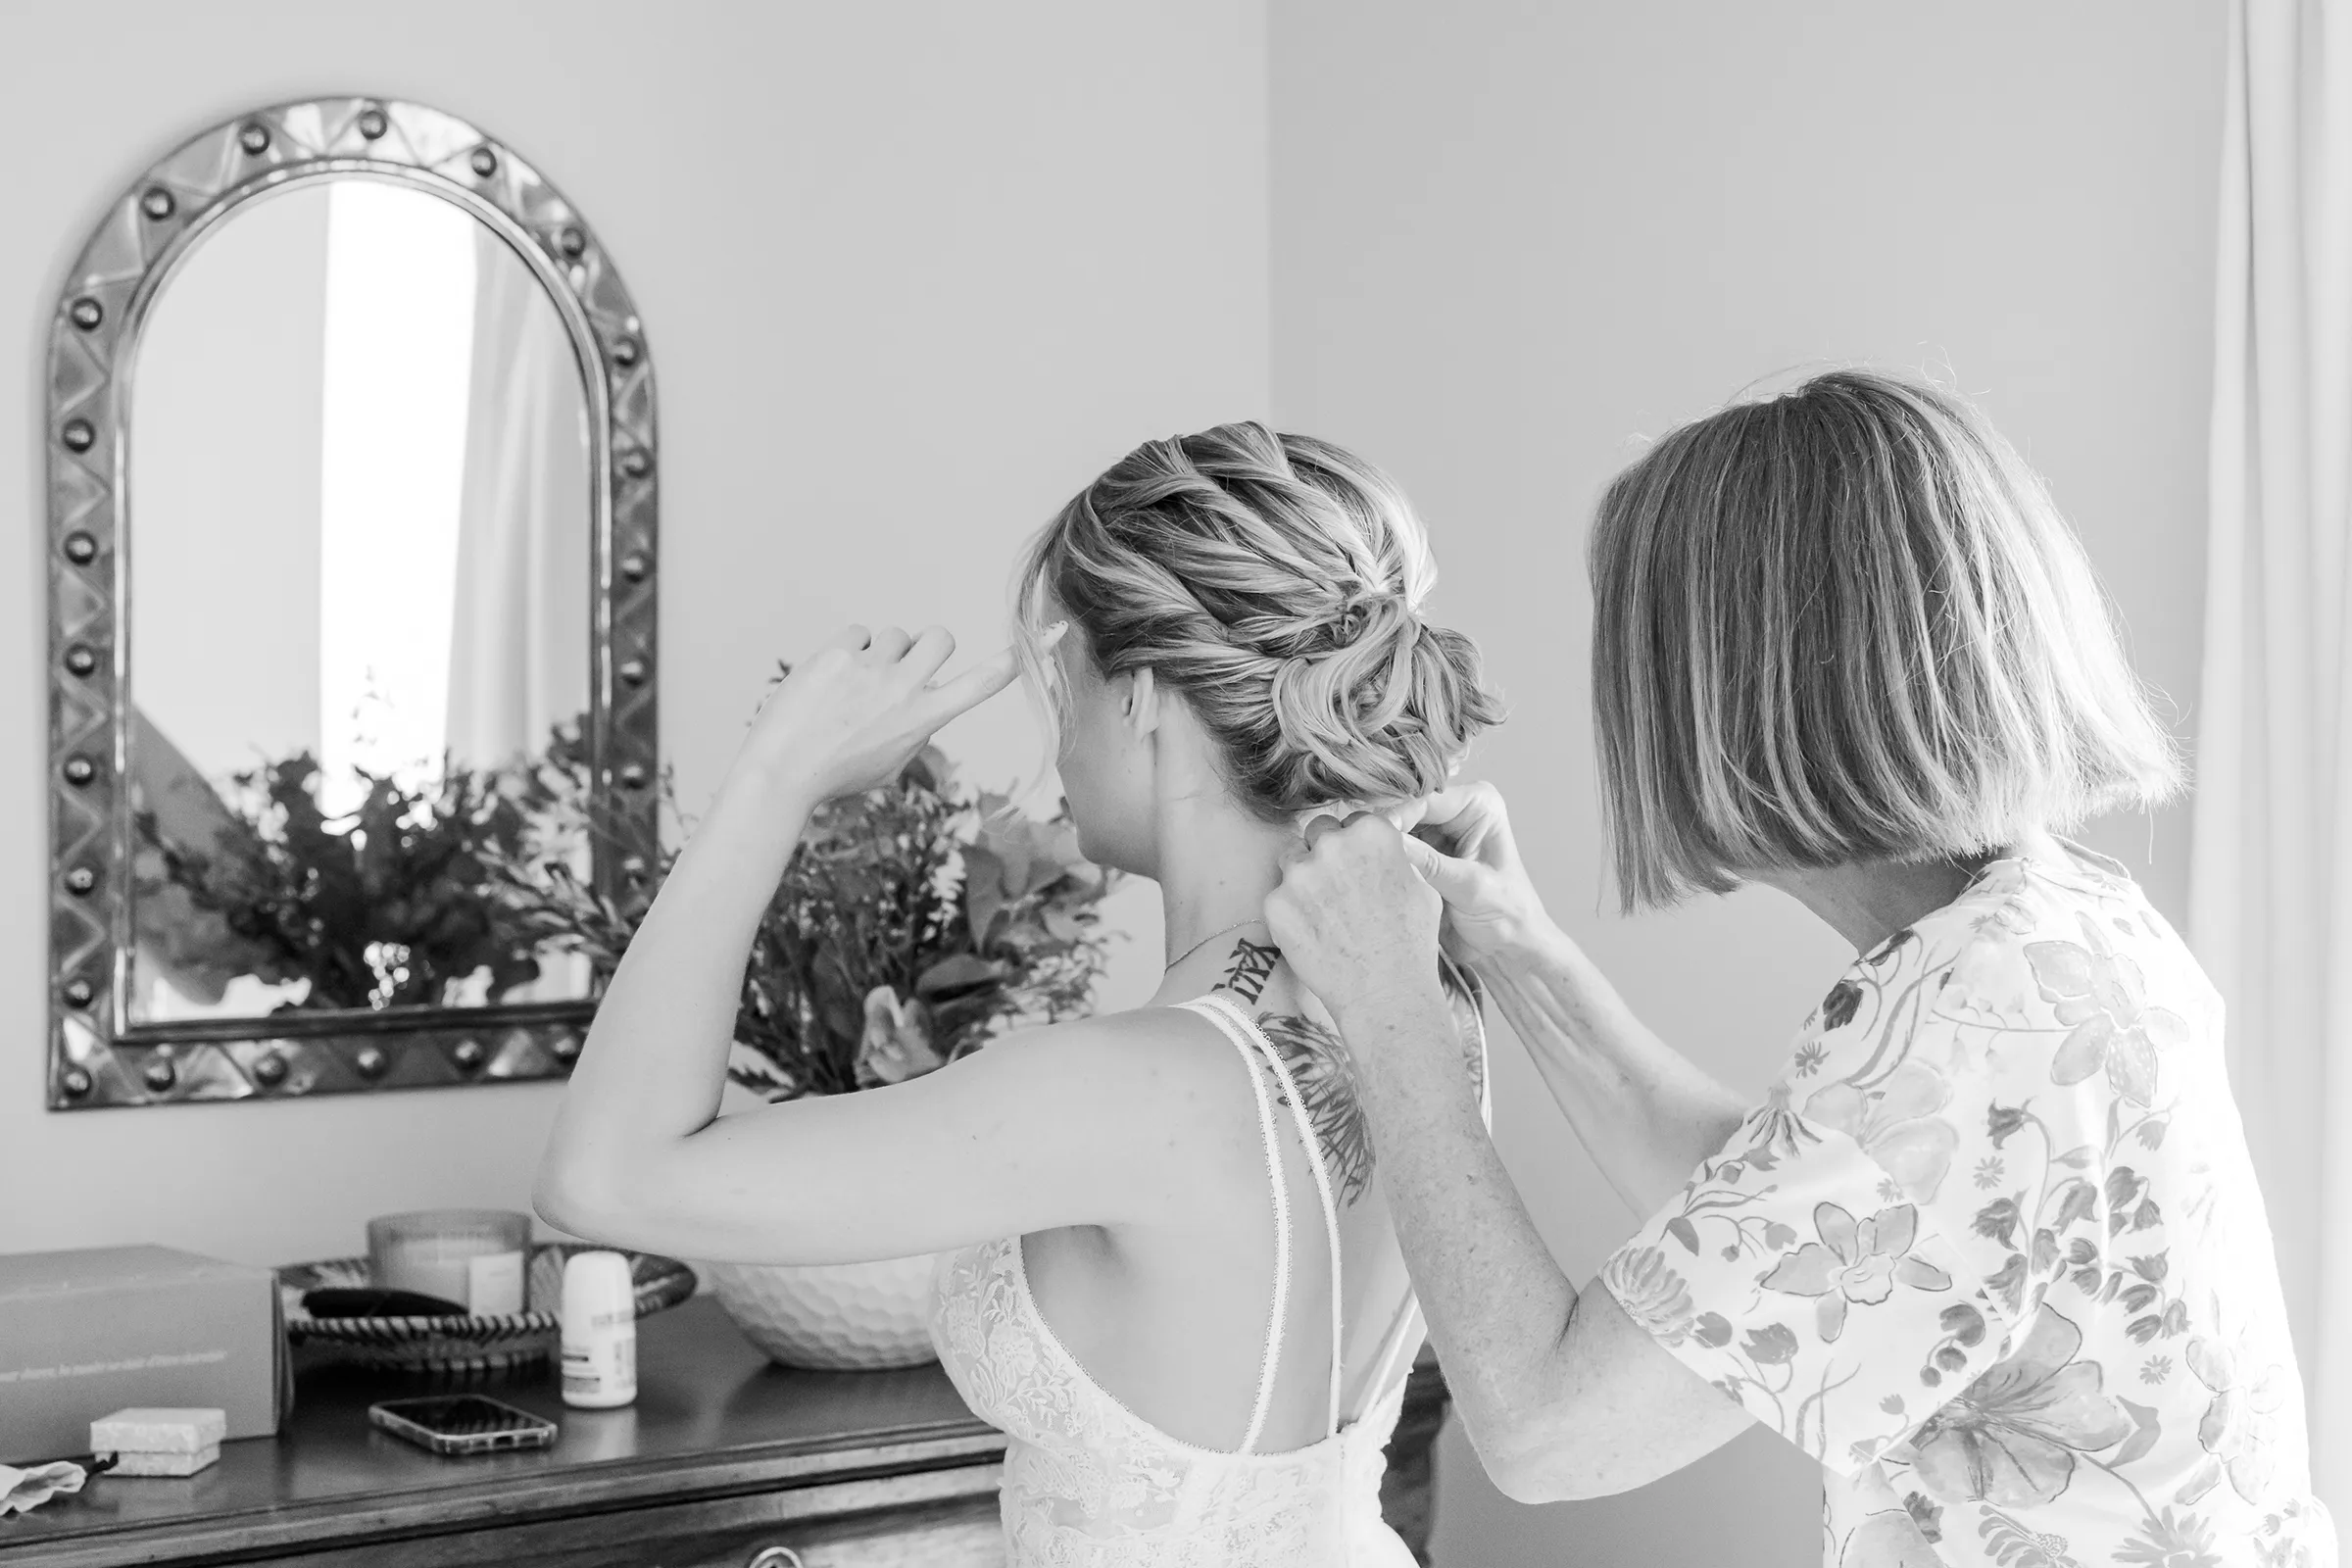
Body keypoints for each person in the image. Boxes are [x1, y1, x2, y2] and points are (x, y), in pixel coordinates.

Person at [1264, 370, 2336, 1567]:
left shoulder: (1970, 1032)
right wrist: (1524, 958)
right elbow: (1805, 1228)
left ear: (1734, 683)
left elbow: (1546, 1431)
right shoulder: (2053, 932)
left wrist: (1390, 1008)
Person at [535, 421, 1501, 1565]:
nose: (1056, 732)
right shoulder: (1437, 1006)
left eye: (1062, 670)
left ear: (1141, 695)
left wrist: (776, 776)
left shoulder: (1127, 1088)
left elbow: (601, 1178)